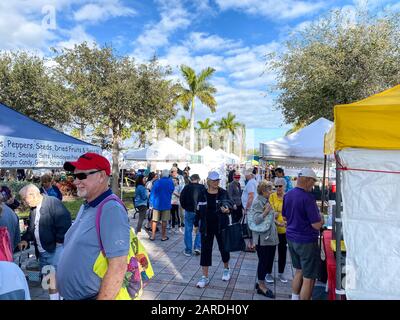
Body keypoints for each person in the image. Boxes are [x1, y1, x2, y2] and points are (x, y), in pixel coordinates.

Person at [57, 153, 130, 300]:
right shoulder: (87, 206)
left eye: (82, 176)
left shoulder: (111, 209)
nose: (76, 182)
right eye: (75, 176)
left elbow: (118, 267)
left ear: (101, 176)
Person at [18, 184, 71, 300]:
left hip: (55, 249)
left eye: (24, 198)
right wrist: (25, 239)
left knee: (57, 280)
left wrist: (58, 241)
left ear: (32, 195)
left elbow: (65, 222)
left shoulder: (53, 202)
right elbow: (32, 228)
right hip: (43, 252)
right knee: (50, 281)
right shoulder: (33, 209)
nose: (23, 202)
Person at [282, 168, 323, 300]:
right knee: (308, 277)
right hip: (306, 241)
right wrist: (321, 219)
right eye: (313, 182)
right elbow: (316, 225)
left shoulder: (288, 195)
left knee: (298, 270)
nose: (313, 185)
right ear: (307, 180)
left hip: (291, 238)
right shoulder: (308, 198)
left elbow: (285, 218)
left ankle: (294, 297)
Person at [195, 171, 232, 288]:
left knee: (224, 248)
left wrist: (228, 210)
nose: (216, 182)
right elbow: (197, 210)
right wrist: (196, 224)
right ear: (208, 181)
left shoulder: (223, 193)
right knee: (205, 251)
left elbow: (230, 205)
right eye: (214, 180)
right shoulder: (202, 194)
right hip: (206, 227)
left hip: (221, 226)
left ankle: (226, 269)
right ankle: (204, 277)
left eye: (218, 180)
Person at [247, 180, 278, 298]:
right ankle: (261, 285)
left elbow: (268, 218)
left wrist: (277, 222)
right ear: (264, 191)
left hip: (269, 237)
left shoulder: (265, 200)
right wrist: (266, 212)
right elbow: (256, 220)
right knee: (263, 262)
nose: (271, 192)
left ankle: (261, 283)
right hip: (263, 239)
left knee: (268, 261)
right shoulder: (258, 202)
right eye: (269, 190)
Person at [179, 174, 204, 257]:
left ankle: (188, 250)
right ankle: (197, 247)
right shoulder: (202, 187)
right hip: (200, 211)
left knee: (188, 230)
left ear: (191, 179)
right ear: (198, 179)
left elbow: (181, 198)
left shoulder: (187, 187)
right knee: (200, 229)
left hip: (189, 210)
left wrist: (185, 207)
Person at [269, 177, 288, 283]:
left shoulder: (287, 197)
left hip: (284, 229)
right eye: (276, 186)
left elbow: (289, 211)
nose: (278, 188)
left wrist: (278, 213)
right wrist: (277, 214)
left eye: (280, 186)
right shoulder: (272, 196)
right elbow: (271, 212)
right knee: (270, 252)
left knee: (282, 252)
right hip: (273, 229)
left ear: (284, 186)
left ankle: (281, 273)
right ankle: (268, 273)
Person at [149, 169, 174, 241]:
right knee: (164, 221)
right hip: (166, 203)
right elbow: (172, 190)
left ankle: (153, 236)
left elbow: (152, 193)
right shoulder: (170, 182)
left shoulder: (157, 182)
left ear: (162, 174)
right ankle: (163, 236)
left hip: (156, 204)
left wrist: (151, 203)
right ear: (168, 174)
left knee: (154, 220)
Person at [242, 169, 258, 251]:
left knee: (250, 227)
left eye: (245, 174)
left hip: (250, 209)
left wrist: (246, 208)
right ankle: (252, 244)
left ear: (249, 175)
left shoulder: (251, 183)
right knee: (252, 227)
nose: (244, 176)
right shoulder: (254, 182)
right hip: (253, 208)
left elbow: (251, 196)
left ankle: (251, 245)